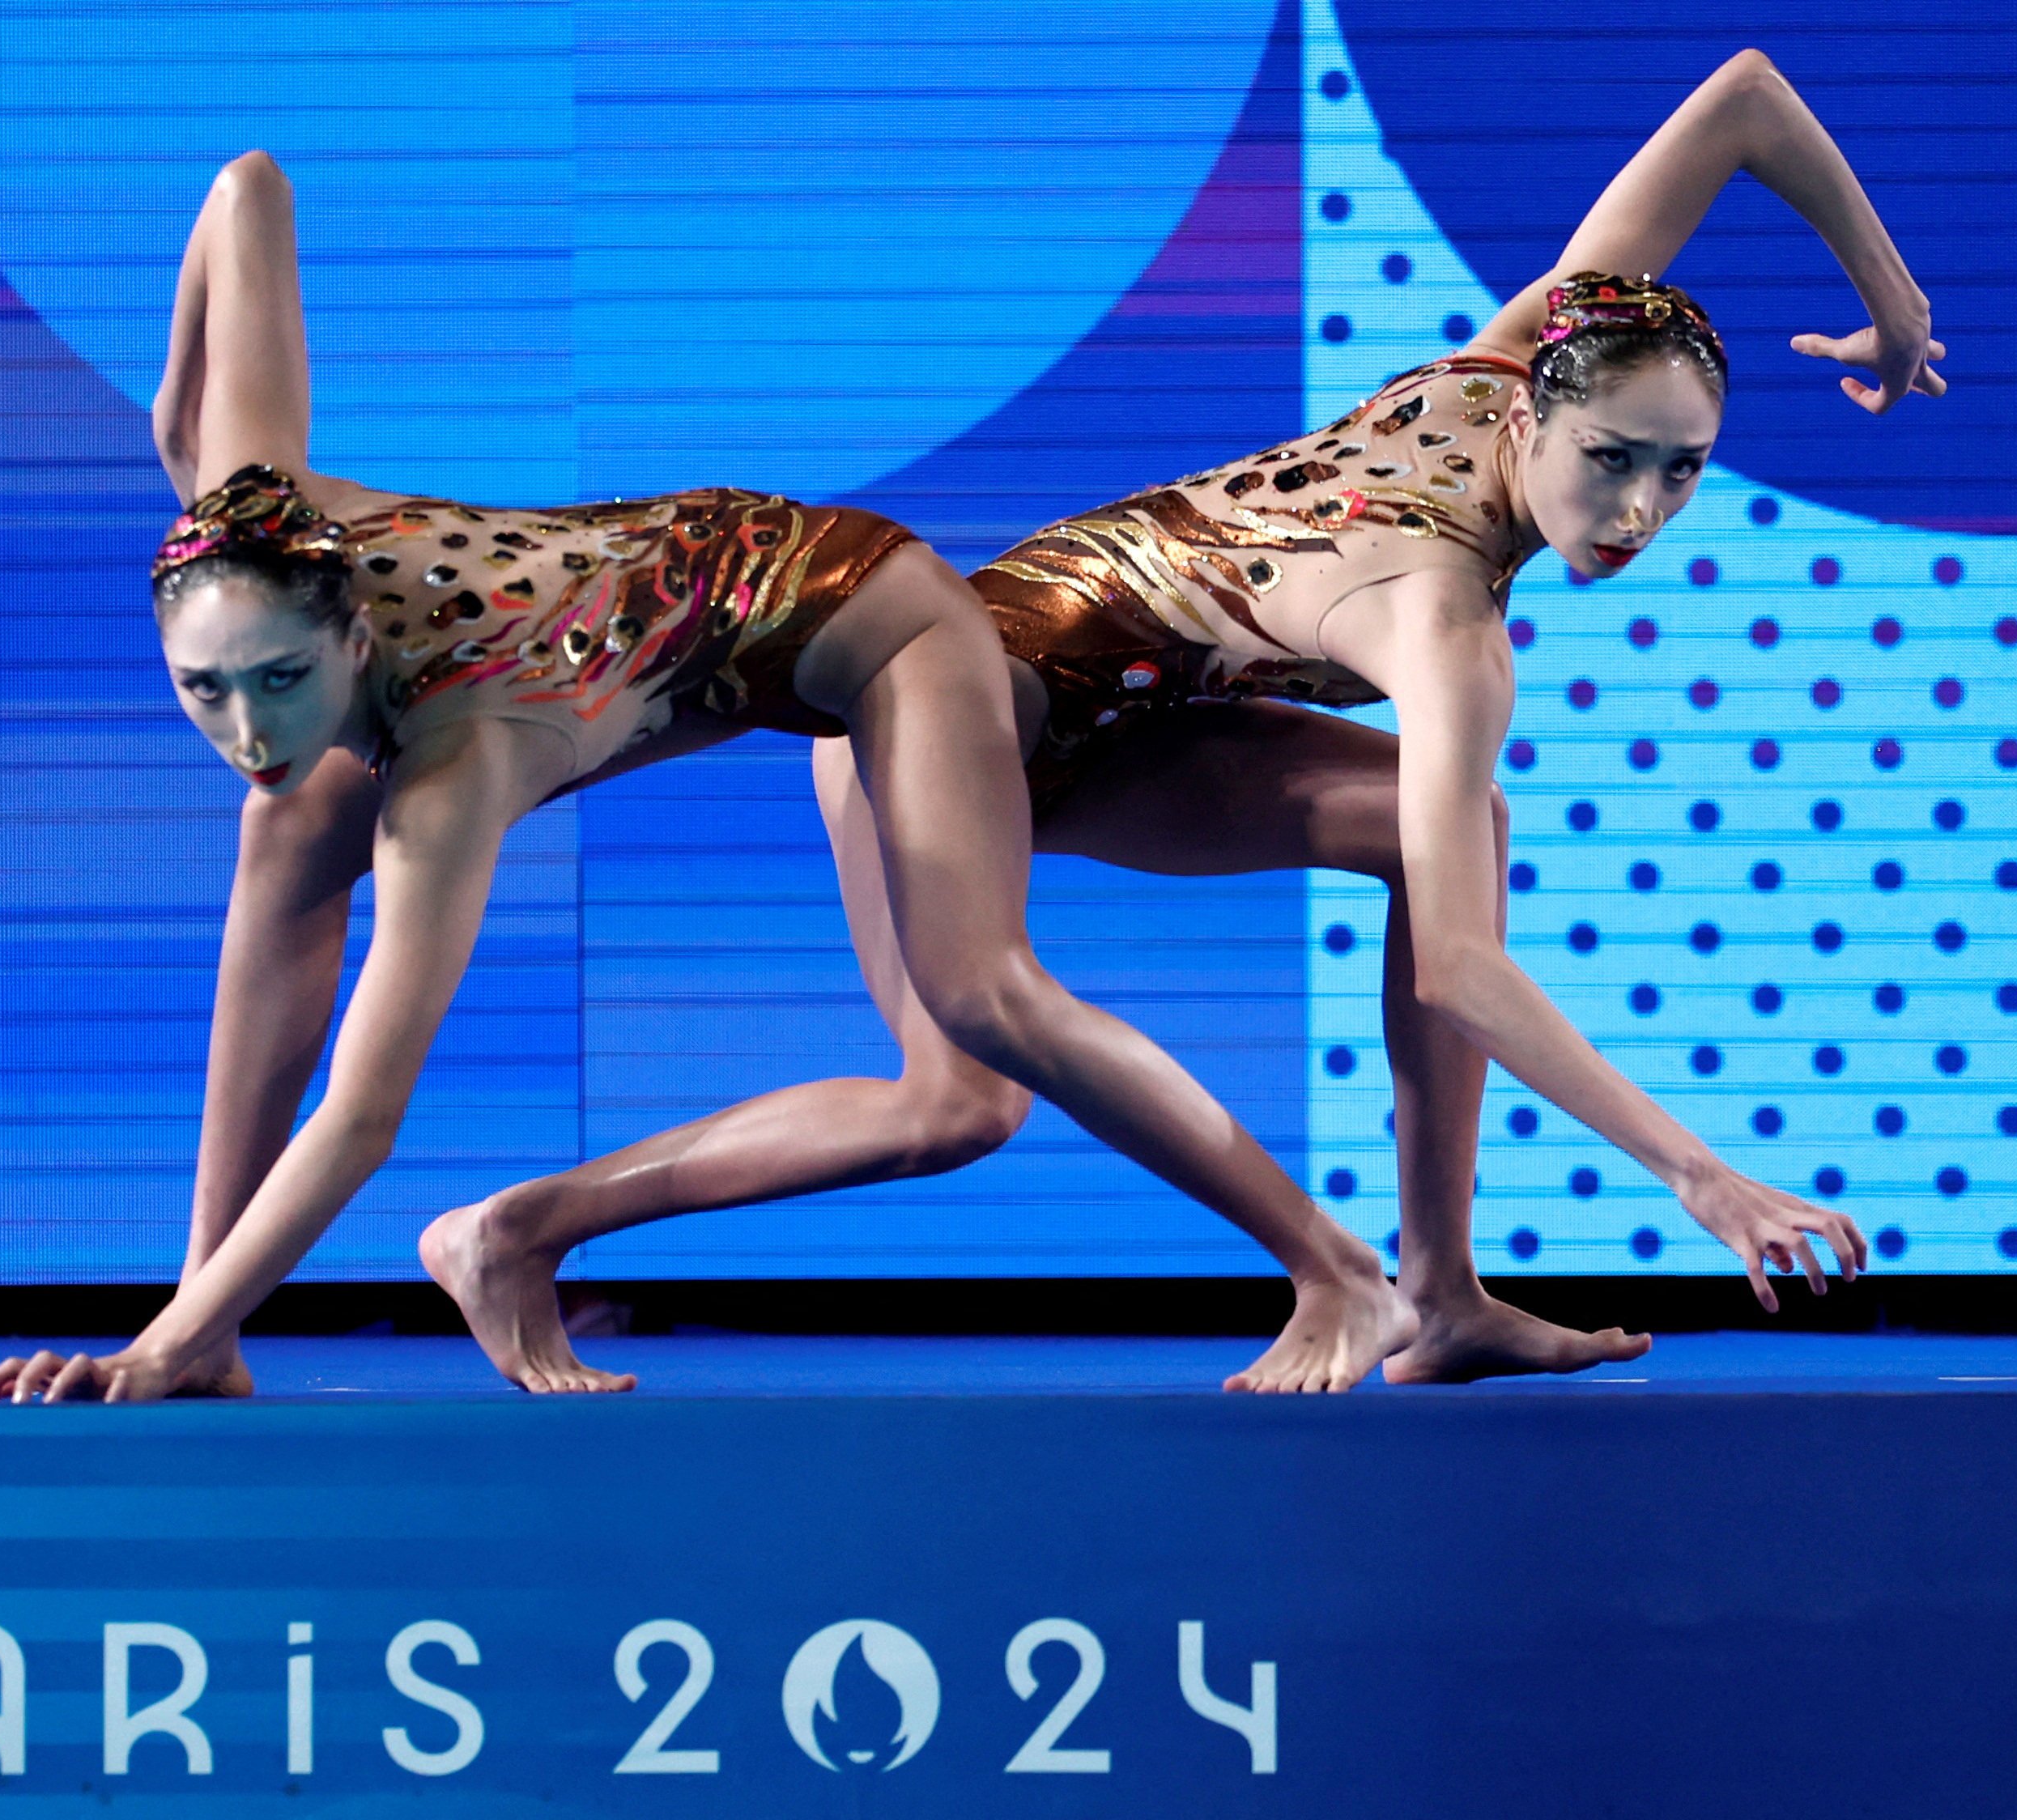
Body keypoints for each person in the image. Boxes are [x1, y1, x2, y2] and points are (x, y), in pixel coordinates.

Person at [406, 48, 1937, 1391]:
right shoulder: (1444, 622)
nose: (1641, 510)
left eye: (1683, 472)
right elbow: (1464, 971)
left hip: (1119, 722)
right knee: (955, 1109)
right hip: (932, 721)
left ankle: (1445, 1296)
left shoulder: (1529, 349)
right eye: (1615, 461)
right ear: (1539, 414)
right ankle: (512, 1228)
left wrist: (1895, 302)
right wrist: (1703, 1181)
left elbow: (1742, 100)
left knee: (1450, 827)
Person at [0, 148, 1415, 1404]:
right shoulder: (256, 536)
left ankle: (1333, 1269)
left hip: (884, 619)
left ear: (351, 630)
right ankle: (473, 1242)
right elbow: (247, 191)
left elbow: (364, 1115)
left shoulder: (459, 769)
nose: (244, 722)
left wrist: (169, 1340)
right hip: (722, 626)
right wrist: (196, 445)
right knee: (284, 834)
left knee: (980, 1025)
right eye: (203, 690)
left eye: (282, 683)